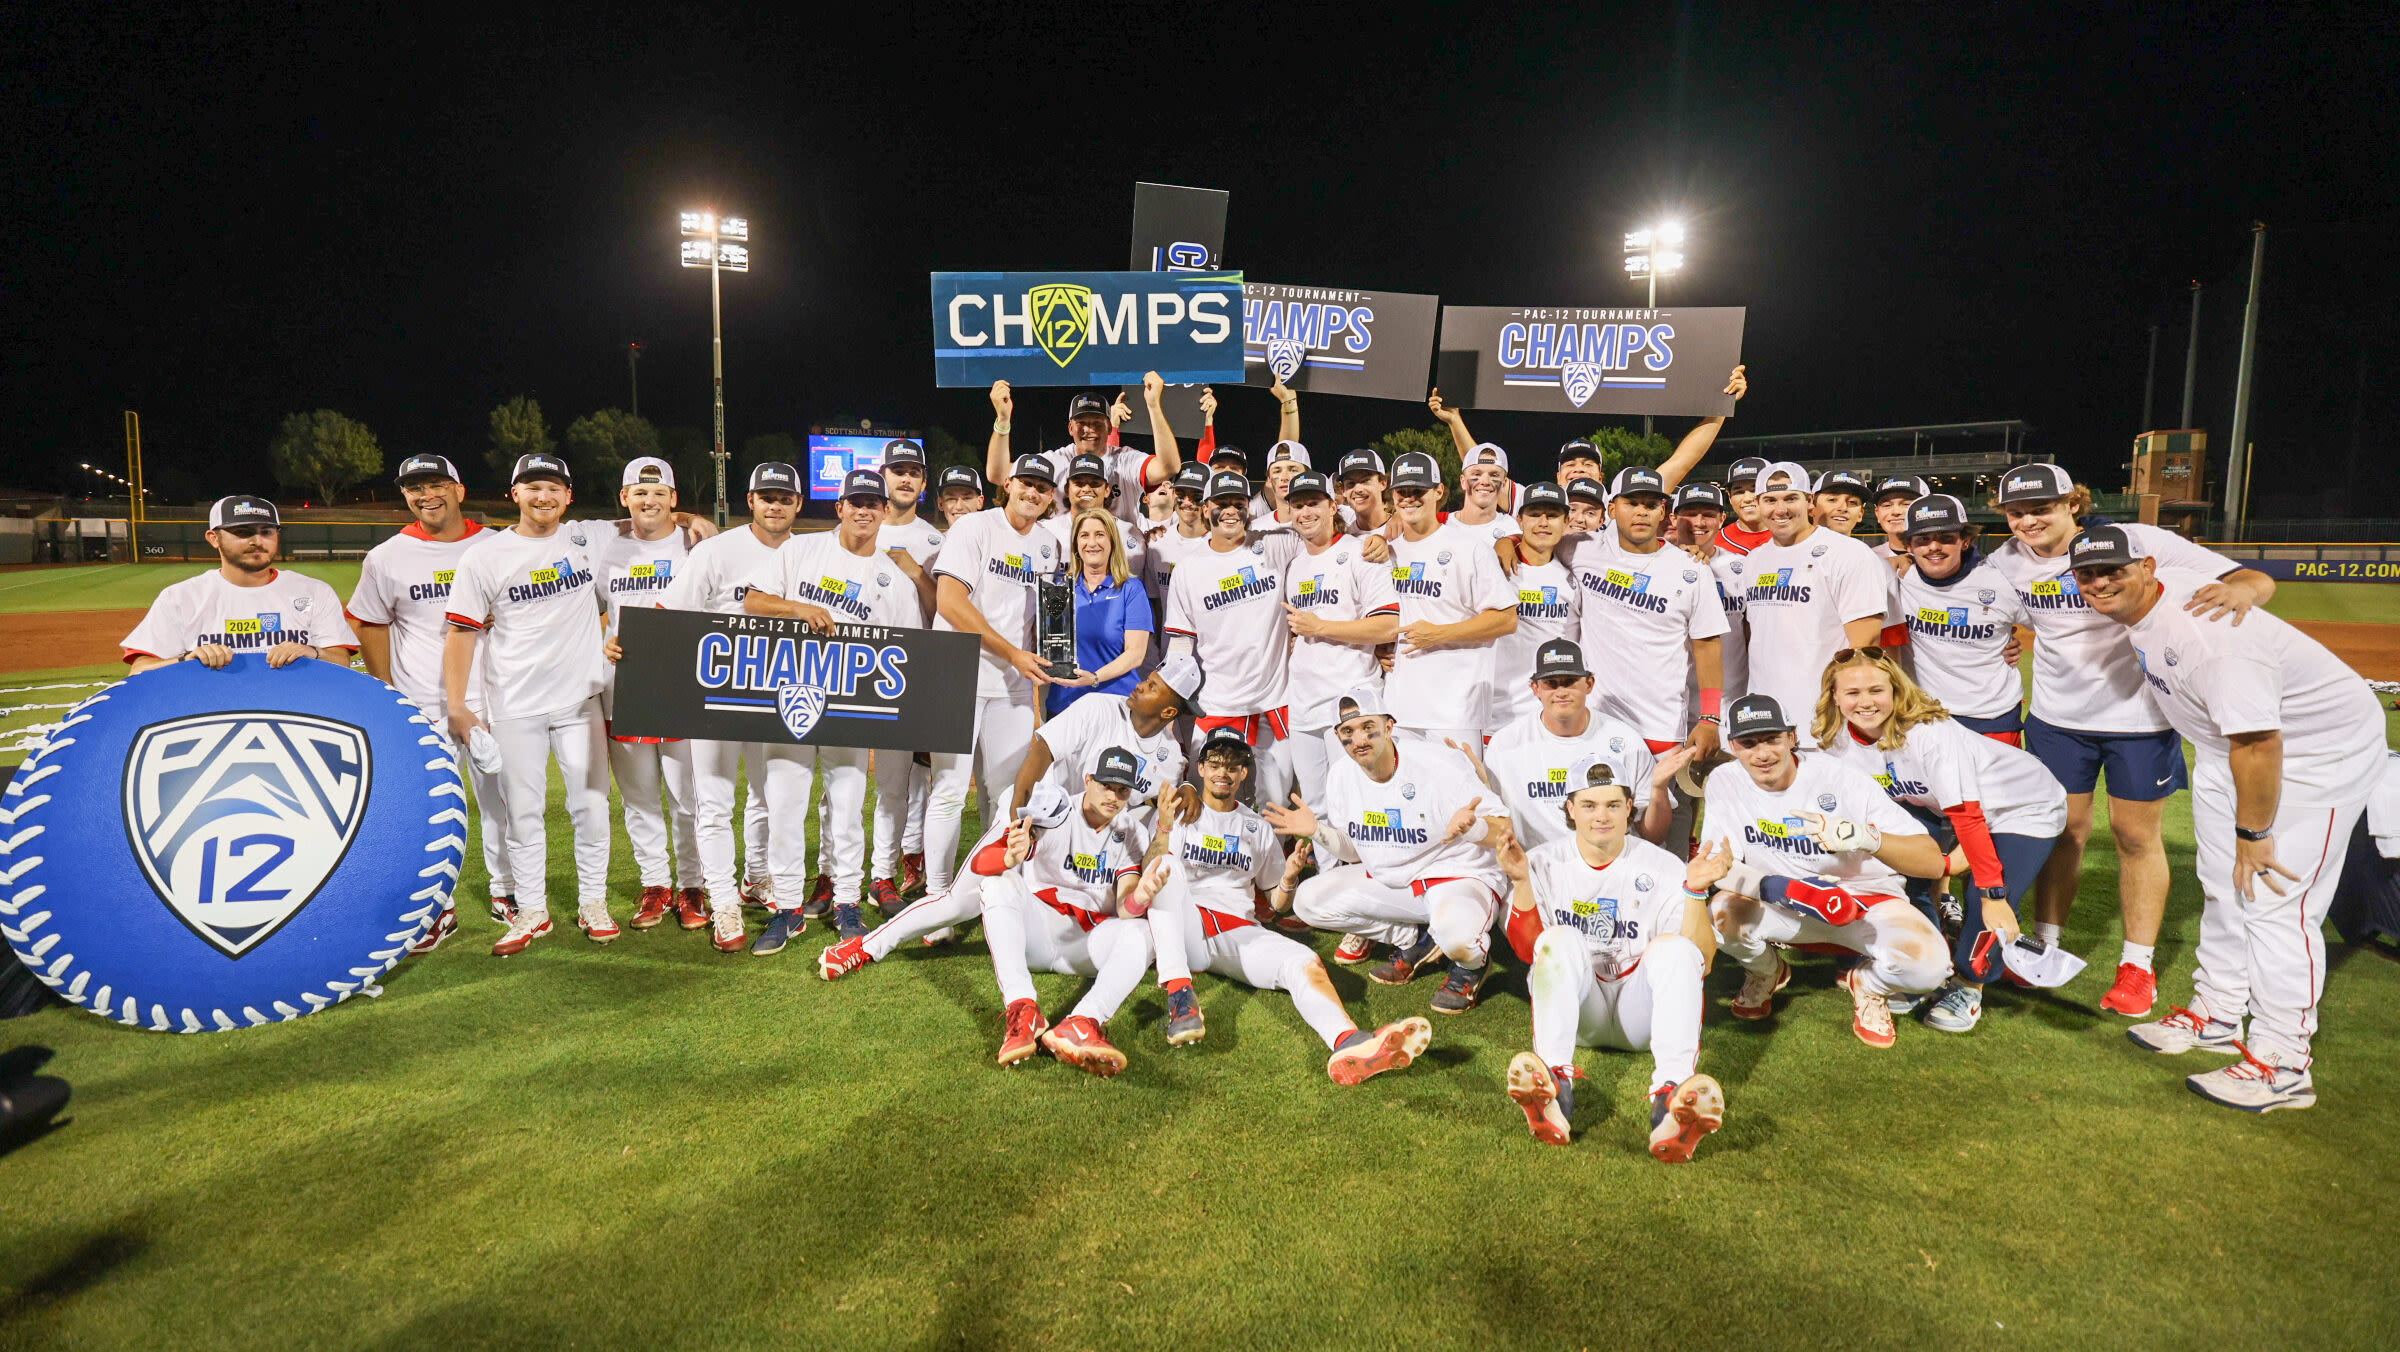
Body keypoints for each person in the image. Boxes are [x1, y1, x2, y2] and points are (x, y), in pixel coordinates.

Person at [2073, 524, 2384, 1111]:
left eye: (2112, 570)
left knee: (2276, 904)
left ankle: (2283, 1062)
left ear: (2147, 567)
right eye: (2088, 574)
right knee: (2222, 885)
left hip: (2314, 754)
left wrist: (2255, 833)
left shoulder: (2208, 638)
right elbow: (2250, 587)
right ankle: (2217, 1012)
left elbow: (2262, 743)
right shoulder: (2163, 602)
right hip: (2227, 747)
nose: (2099, 583)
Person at [1985, 462, 2276, 1017]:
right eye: (2017, 513)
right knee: (2065, 830)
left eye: (2041, 508)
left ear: (2072, 503)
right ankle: (2045, 943)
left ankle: (2137, 967)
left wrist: (2235, 603)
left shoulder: (2136, 541)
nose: (2028, 522)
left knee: (2134, 836)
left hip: (2141, 719)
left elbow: (2253, 580)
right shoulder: (2007, 562)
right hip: (2056, 717)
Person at [1129, 727, 1435, 1083]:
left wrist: (1289, 878)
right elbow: (1148, 872)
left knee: (1302, 961)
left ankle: (1349, 1041)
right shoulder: (1179, 811)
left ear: (1244, 773)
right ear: (1200, 768)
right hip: (1182, 926)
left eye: (1233, 765)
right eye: (1214, 763)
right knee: (1166, 867)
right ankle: (1180, 996)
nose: (1222, 772)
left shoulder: (1256, 827)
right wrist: (1164, 828)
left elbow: (1275, 904)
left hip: (1236, 930)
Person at [1811, 647, 2068, 1033]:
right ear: (1834, 696)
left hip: (2023, 806)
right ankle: (1928, 969)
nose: (1866, 702)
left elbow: (1968, 815)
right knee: (1906, 875)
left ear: (1896, 690)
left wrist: (1992, 894)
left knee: (1984, 902)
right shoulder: (1837, 741)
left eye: (1876, 690)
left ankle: (1969, 985)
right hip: (1935, 807)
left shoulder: (1930, 735)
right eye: (1853, 693)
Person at [1496, 759, 1728, 1161]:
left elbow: (1701, 960)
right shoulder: (1541, 861)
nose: (1601, 816)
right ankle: (1554, 1083)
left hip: (1642, 1018)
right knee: (1559, 939)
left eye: (1612, 805)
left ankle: (1671, 1096)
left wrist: (1695, 892)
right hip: (1580, 1014)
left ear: (1629, 806)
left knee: (1674, 949)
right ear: (1570, 808)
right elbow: (1526, 951)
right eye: (1589, 805)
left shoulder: (1662, 867)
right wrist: (1520, 882)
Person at [1700, 694, 1952, 1048]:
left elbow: (1931, 860)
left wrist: (1868, 838)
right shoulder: (1725, 781)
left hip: (1864, 902)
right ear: (1733, 746)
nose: (1762, 753)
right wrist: (1780, 889)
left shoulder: (1842, 779)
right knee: (1721, 915)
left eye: (1772, 739)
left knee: (1929, 969)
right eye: (1748, 743)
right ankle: (1766, 972)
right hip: (1785, 901)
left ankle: (1867, 984)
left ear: (1791, 737)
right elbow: (1718, 867)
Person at [742, 469, 925, 950]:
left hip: (851, 704)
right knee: (784, 803)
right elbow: (753, 600)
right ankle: (785, 907)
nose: (864, 510)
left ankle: (847, 901)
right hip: (791, 695)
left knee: (846, 807)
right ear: (838, 507)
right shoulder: (801, 550)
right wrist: (799, 609)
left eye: (873, 503)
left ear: (885, 512)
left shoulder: (893, 577)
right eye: (854, 502)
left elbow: (909, 648)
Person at [443, 453, 613, 955]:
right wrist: (458, 704)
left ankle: (593, 903)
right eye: (533, 487)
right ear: (513, 493)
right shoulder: (485, 556)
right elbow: (460, 632)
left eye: (555, 487)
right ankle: (533, 910)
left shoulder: (588, 537)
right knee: (523, 812)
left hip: (581, 698)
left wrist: (692, 519)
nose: (545, 496)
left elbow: (644, 521)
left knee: (591, 807)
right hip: (515, 701)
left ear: (569, 495)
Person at [344, 457, 511, 950]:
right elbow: (369, 623)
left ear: (459, 489)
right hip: (422, 702)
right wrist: (388, 691)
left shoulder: (498, 546)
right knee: (430, 811)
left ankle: (508, 890)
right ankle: (437, 907)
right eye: (414, 488)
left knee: (504, 804)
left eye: (435, 484)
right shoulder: (387, 556)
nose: (426, 495)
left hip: (498, 696)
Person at [1263, 688, 1514, 1014]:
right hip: (1396, 880)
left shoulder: (1437, 763)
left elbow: (1503, 828)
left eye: (1368, 727)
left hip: (1456, 874)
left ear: (1389, 726)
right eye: (1347, 732)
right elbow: (1354, 853)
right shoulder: (1342, 775)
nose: (1359, 739)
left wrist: (1474, 828)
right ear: (1339, 738)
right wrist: (1317, 832)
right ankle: (1414, 939)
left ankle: (1470, 967)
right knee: (1309, 901)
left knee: (1458, 937)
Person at [658, 461, 808, 953]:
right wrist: (629, 643)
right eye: (767, 496)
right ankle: (723, 900)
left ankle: (757, 878)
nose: (775, 504)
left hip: (780, 689)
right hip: (717, 687)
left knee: (769, 796)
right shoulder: (716, 550)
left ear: (798, 504)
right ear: (750, 500)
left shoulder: (808, 554)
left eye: (784, 498)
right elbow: (671, 612)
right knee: (715, 801)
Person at [925, 453, 1064, 897]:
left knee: (1005, 792)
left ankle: (992, 889)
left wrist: (1054, 653)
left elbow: (1045, 617)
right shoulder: (974, 527)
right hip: (956, 672)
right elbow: (949, 601)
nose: (1033, 493)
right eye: (1026, 484)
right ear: (1008, 484)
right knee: (948, 790)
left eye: (1042, 489)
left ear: (1050, 498)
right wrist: (1012, 652)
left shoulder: (1048, 544)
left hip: (1013, 684)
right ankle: (938, 895)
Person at [981, 754, 1156, 1075]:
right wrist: (1008, 856)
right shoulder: (1054, 808)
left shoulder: (1131, 830)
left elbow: (1125, 908)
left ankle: (1083, 1022)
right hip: (1036, 935)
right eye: (1107, 786)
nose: (1113, 797)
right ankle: (1022, 1006)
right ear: (1088, 780)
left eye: (1122, 791)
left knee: (1145, 933)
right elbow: (982, 865)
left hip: (1088, 947)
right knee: (997, 885)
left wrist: (1141, 897)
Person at [591, 457, 708, 933]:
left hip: (682, 687)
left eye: (659, 493)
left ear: (674, 499)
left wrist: (694, 523)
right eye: (639, 493)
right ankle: (656, 884)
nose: (649, 501)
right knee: (639, 796)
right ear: (624, 499)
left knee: (688, 796)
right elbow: (581, 614)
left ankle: (693, 886)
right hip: (625, 687)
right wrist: (603, 642)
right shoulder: (604, 549)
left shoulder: (697, 546)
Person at [1561, 465, 1727, 783]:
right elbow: (1533, 542)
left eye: (1651, 505)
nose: (1642, 512)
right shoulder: (1581, 548)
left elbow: (1708, 646)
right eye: (1632, 503)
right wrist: (1507, 542)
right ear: (1611, 508)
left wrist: (1709, 717)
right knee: (1595, 820)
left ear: (1663, 511)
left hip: (1660, 724)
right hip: (1595, 719)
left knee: (1661, 824)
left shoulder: (1690, 569)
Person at [1162, 470, 1304, 803]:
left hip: (1274, 702)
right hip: (1219, 703)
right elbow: (1182, 646)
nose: (1230, 511)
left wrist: (1380, 538)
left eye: (1238, 503)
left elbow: (1324, 532)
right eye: (1221, 503)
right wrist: (1171, 704)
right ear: (1205, 506)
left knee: (1276, 805)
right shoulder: (1188, 569)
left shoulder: (1275, 543)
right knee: (1206, 805)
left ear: (1248, 507)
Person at [124, 495, 358, 675]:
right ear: (213, 538)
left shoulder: (315, 592)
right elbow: (139, 670)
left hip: (294, 711)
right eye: (242, 532)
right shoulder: (180, 597)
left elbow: (341, 661)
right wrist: (186, 660)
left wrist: (312, 652)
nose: (257, 541)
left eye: (266, 532)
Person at [1480, 639, 1679, 849]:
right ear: (1535, 688)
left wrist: (1659, 788)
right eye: (1551, 683)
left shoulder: (1625, 741)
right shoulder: (1505, 745)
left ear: (1589, 684)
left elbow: (1655, 836)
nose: (1561, 691)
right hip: (1536, 870)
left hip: (1610, 868)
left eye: (1570, 681)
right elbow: (1495, 826)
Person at [1734, 461, 1888, 728]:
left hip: (1824, 715)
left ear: (1809, 502)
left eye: (1791, 498)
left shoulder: (1848, 553)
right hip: (1768, 715)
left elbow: (1865, 645)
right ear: (1758, 504)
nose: (1780, 509)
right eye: (1770, 499)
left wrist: (1844, 708)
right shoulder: (1754, 560)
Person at [1280, 470, 1400, 805]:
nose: (1306, 512)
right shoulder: (1295, 564)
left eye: (1314, 503)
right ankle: (1327, 862)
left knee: (1360, 799)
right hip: (1303, 702)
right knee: (1316, 806)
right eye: (1298, 505)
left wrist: (1321, 628)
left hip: (1351, 699)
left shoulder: (1362, 553)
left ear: (1333, 506)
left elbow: (1388, 625)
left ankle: (1363, 861)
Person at [1383, 451, 1518, 748]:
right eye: (1402, 492)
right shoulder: (1388, 552)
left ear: (1439, 491)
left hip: (1457, 710)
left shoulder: (1469, 548)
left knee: (1465, 795)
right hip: (1399, 708)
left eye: (1418, 491)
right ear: (1392, 496)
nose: (1409, 499)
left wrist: (1439, 634)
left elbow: (1507, 619)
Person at [1893, 494, 2029, 742]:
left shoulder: (1999, 582)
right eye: (1923, 539)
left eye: (1946, 538)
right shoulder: (1900, 578)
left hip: (1992, 718)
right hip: (1925, 717)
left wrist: (2010, 640)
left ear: (1965, 541)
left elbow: (2049, 624)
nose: (1934, 547)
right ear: (1909, 546)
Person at [874, 441, 947, 903]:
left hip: (915, 667)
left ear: (923, 483)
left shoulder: (936, 540)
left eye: (913, 472)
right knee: (852, 775)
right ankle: (849, 871)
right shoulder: (857, 527)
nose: (905, 479)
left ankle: (910, 855)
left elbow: (943, 609)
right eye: (897, 470)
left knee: (918, 774)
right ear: (884, 476)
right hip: (861, 667)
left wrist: (917, 570)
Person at [1014, 657, 1198, 830]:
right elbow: (1043, 750)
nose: (1140, 686)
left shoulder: (1170, 757)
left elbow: (1165, 799)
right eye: (1146, 680)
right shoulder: (1096, 707)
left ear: (1168, 712)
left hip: (1097, 831)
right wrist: (1019, 813)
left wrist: (1186, 787)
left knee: (1157, 816)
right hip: (1047, 807)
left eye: (1152, 687)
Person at [986, 375, 1181, 530]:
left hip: (1121, 554)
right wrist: (1003, 420)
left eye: (1097, 423)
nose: (1089, 429)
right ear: (1070, 428)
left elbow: (1170, 466)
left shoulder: (1126, 460)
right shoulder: (1056, 461)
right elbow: (998, 475)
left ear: (1109, 428)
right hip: (1064, 556)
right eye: (1082, 423)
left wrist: (1154, 406)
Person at [1488, 482, 1580, 733]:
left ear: (1566, 521)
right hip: (1493, 710)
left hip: (1546, 712)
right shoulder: (1492, 566)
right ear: (1519, 520)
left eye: (1552, 515)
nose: (1543, 522)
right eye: (1534, 514)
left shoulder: (1572, 578)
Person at [1046, 509, 1151, 717]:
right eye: (1084, 535)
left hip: (1115, 706)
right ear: (1076, 544)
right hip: (1065, 706)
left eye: (1100, 534)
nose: (1092, 543)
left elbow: (1135, 654)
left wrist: (1094, 678)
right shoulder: (1059, 590)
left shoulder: (1131, 589)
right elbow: (1050, 648)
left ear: (1112, 542)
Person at [1670, 480, 1748, 706]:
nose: (1699, 522)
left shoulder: (1742, 567)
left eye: (1708, 514)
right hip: (1674, 702)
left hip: (1731, 700)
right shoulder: (1659, 566)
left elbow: (1751, 632)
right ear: (1673, 519)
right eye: (1690, 514)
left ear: (1723, 519)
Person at [1715, 456, 1773, 556]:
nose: (1747, 499)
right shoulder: (1714, 544)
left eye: (1754, 490)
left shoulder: (1794, 536)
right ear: (1729, 496)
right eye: (1739, 492)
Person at [1869, 474, 1929, 565]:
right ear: (1877, 514)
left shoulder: (1946, 555)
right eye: (1887, 505)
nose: (1896, 512)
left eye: (1906, 504)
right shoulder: (1867, 558)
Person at [1334, 449, 1393, 536]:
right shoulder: (1344, 538)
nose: (1358, 489)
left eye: (1365, 481)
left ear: (1383, 483)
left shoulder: (1404, 529)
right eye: (1351, 483)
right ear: (1343, 491)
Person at [1810, 469, 1871, 538]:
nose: (1843, 508)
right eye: (1832, 500)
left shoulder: (1863, 549)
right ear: (1811, 505)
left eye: (1852, 502)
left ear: (1860, 514)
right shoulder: (1796, 548)